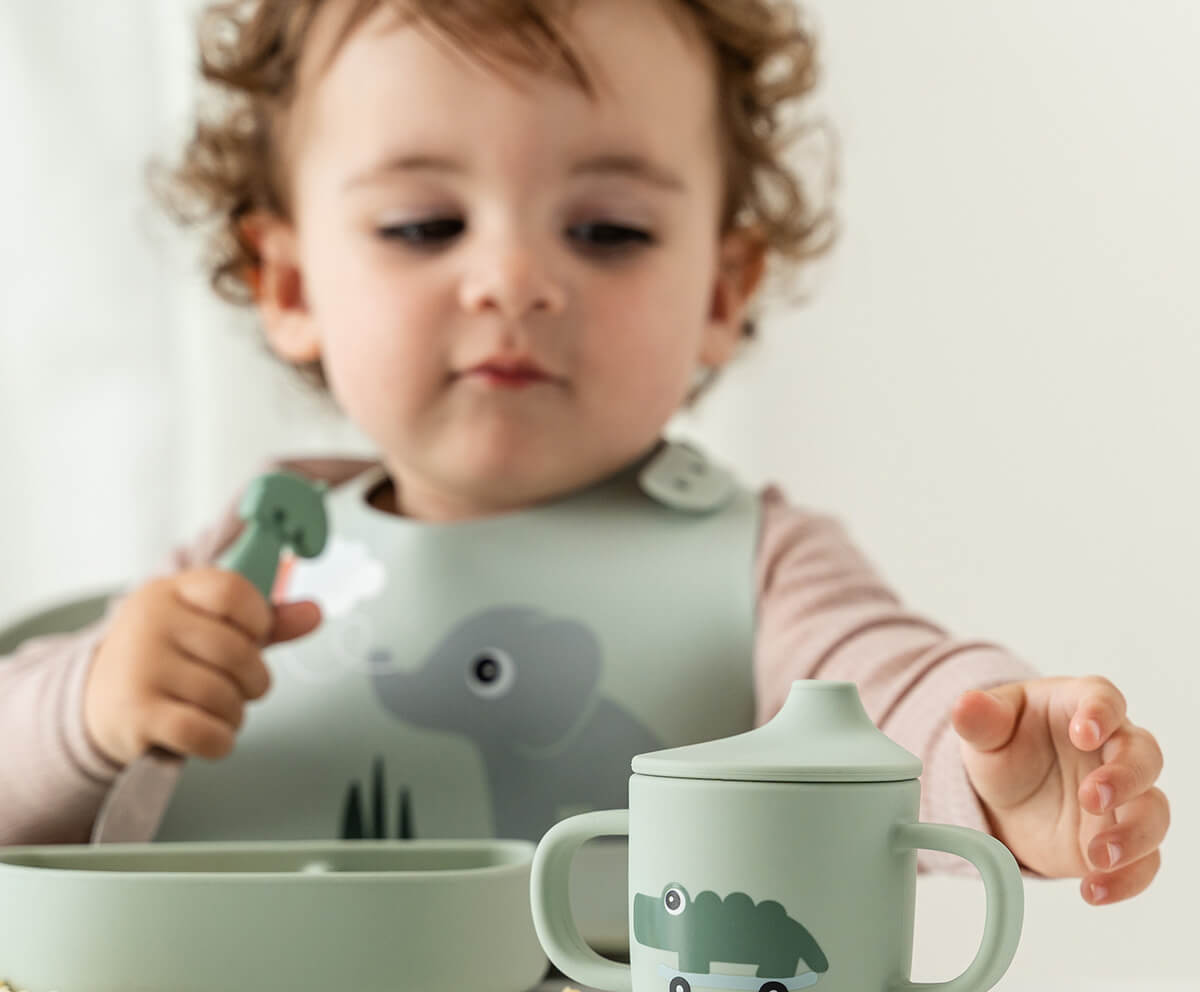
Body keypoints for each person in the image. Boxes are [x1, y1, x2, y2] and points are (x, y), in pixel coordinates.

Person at [0, 0, 1167, 910]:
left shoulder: (755, 567)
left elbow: (893, 704)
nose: (513, 279)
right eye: (424, 225)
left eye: (608, 231)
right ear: (292, 285)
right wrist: (90, 708)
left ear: (723, 289)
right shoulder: (247, 560)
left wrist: (996, 767)